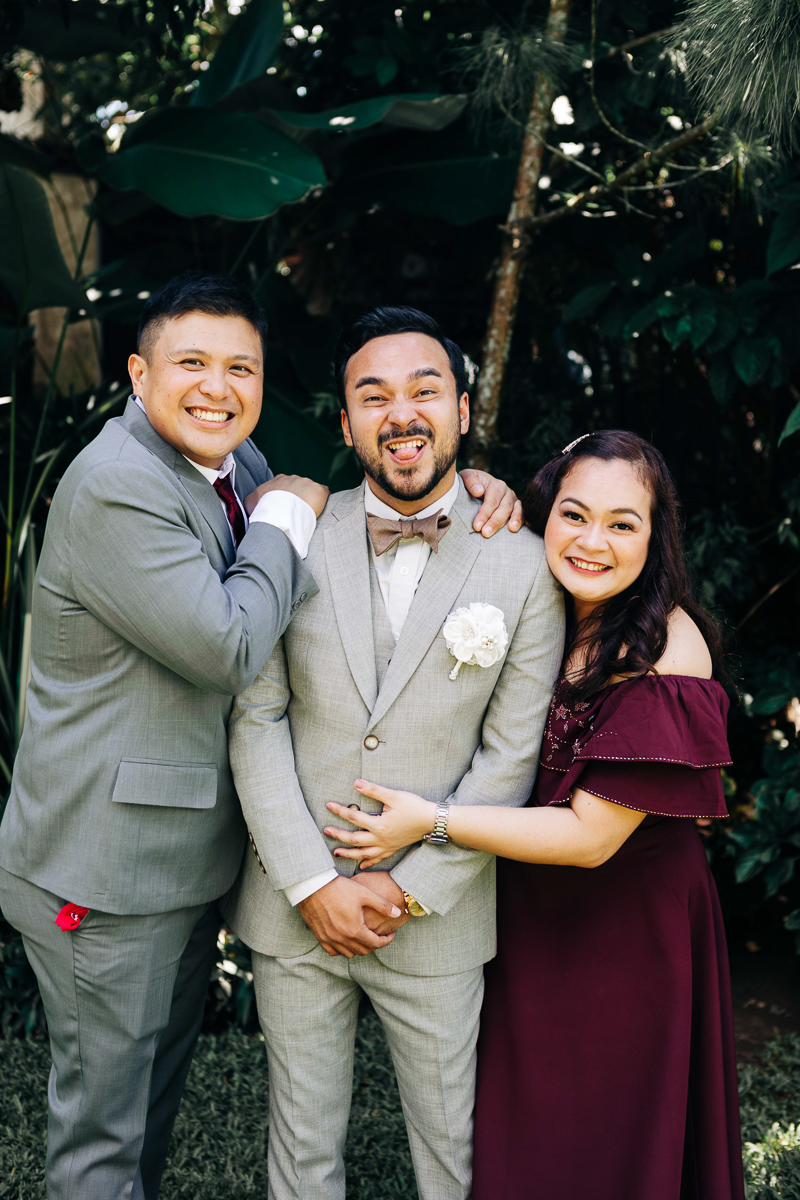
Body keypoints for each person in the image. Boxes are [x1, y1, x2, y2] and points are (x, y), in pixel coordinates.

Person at [0, 274, 518, 1200]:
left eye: (241, 367)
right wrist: (285, 512)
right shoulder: (117, 485)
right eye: (191, 363)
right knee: (103, 1129)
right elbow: (234, 646)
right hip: (105, 864)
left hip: (185, 854)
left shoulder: (231, 462)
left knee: (146, 1108)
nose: (218, 387)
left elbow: (390, 470)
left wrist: (473, 483)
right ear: (138, 374)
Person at [327, 429, 746, 1200]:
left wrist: (432, 821)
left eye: (622, 524)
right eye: (574, 515)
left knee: (606, 1137)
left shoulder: (667, 646)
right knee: (525, 1129)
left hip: (627, 926)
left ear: (655, 539)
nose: (592, 542)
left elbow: (590, 838)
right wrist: (485, 487)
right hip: (528, 907)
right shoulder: (535, 592)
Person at [223, 305, 565, 1200]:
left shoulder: (526, 564)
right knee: (301, 1146)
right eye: (373, 397)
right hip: (295, 906)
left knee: (454, 1150)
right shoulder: (294, 537)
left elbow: (511, 755)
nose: (400, 414)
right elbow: (255, 719)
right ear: (345, 424)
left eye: (424, 390)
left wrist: (406, 889)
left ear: (462, 408)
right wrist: (312, 883)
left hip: (438, 912)